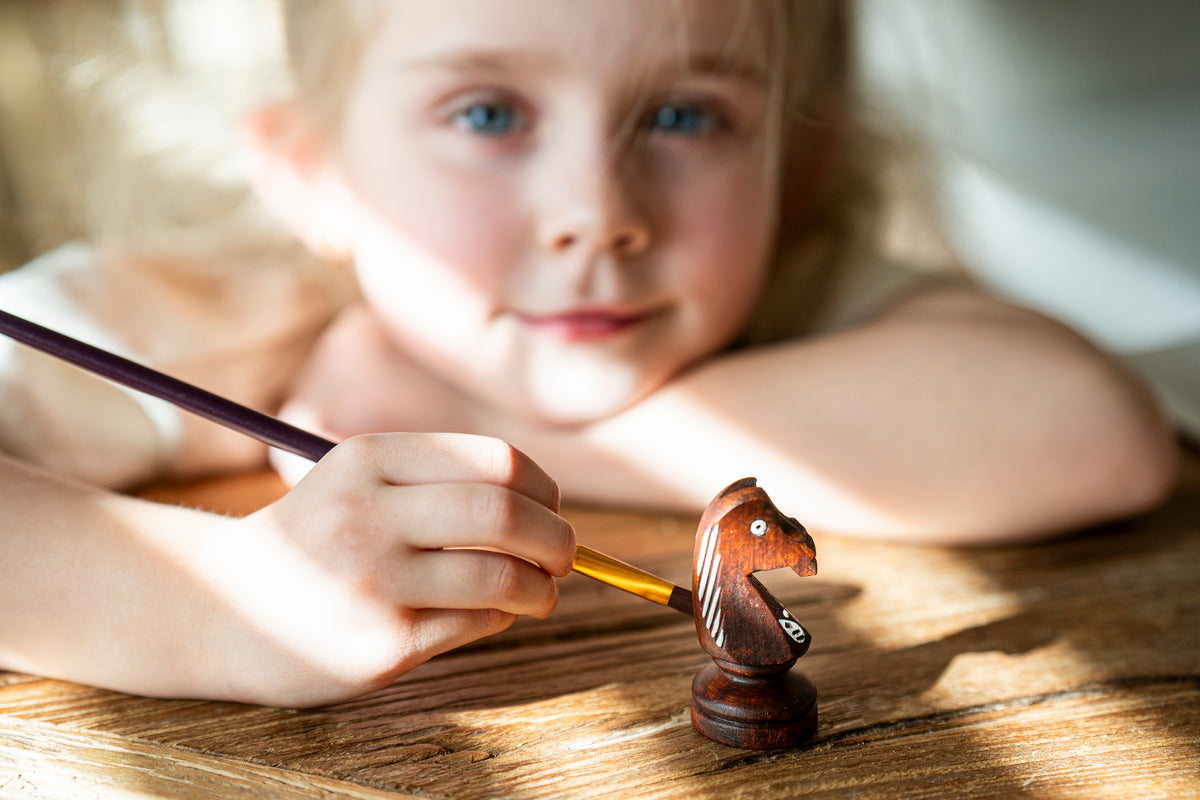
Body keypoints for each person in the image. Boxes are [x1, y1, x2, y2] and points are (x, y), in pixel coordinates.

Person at [0, 0, 1178, 706]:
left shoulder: (791, 273)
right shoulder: (188, 320)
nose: (597, 210)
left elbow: (1095, 435)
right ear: (314, 171)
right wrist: (224, 610)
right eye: (487, 114)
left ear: (795, 174)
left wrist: (501, 426)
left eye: (683, 116)